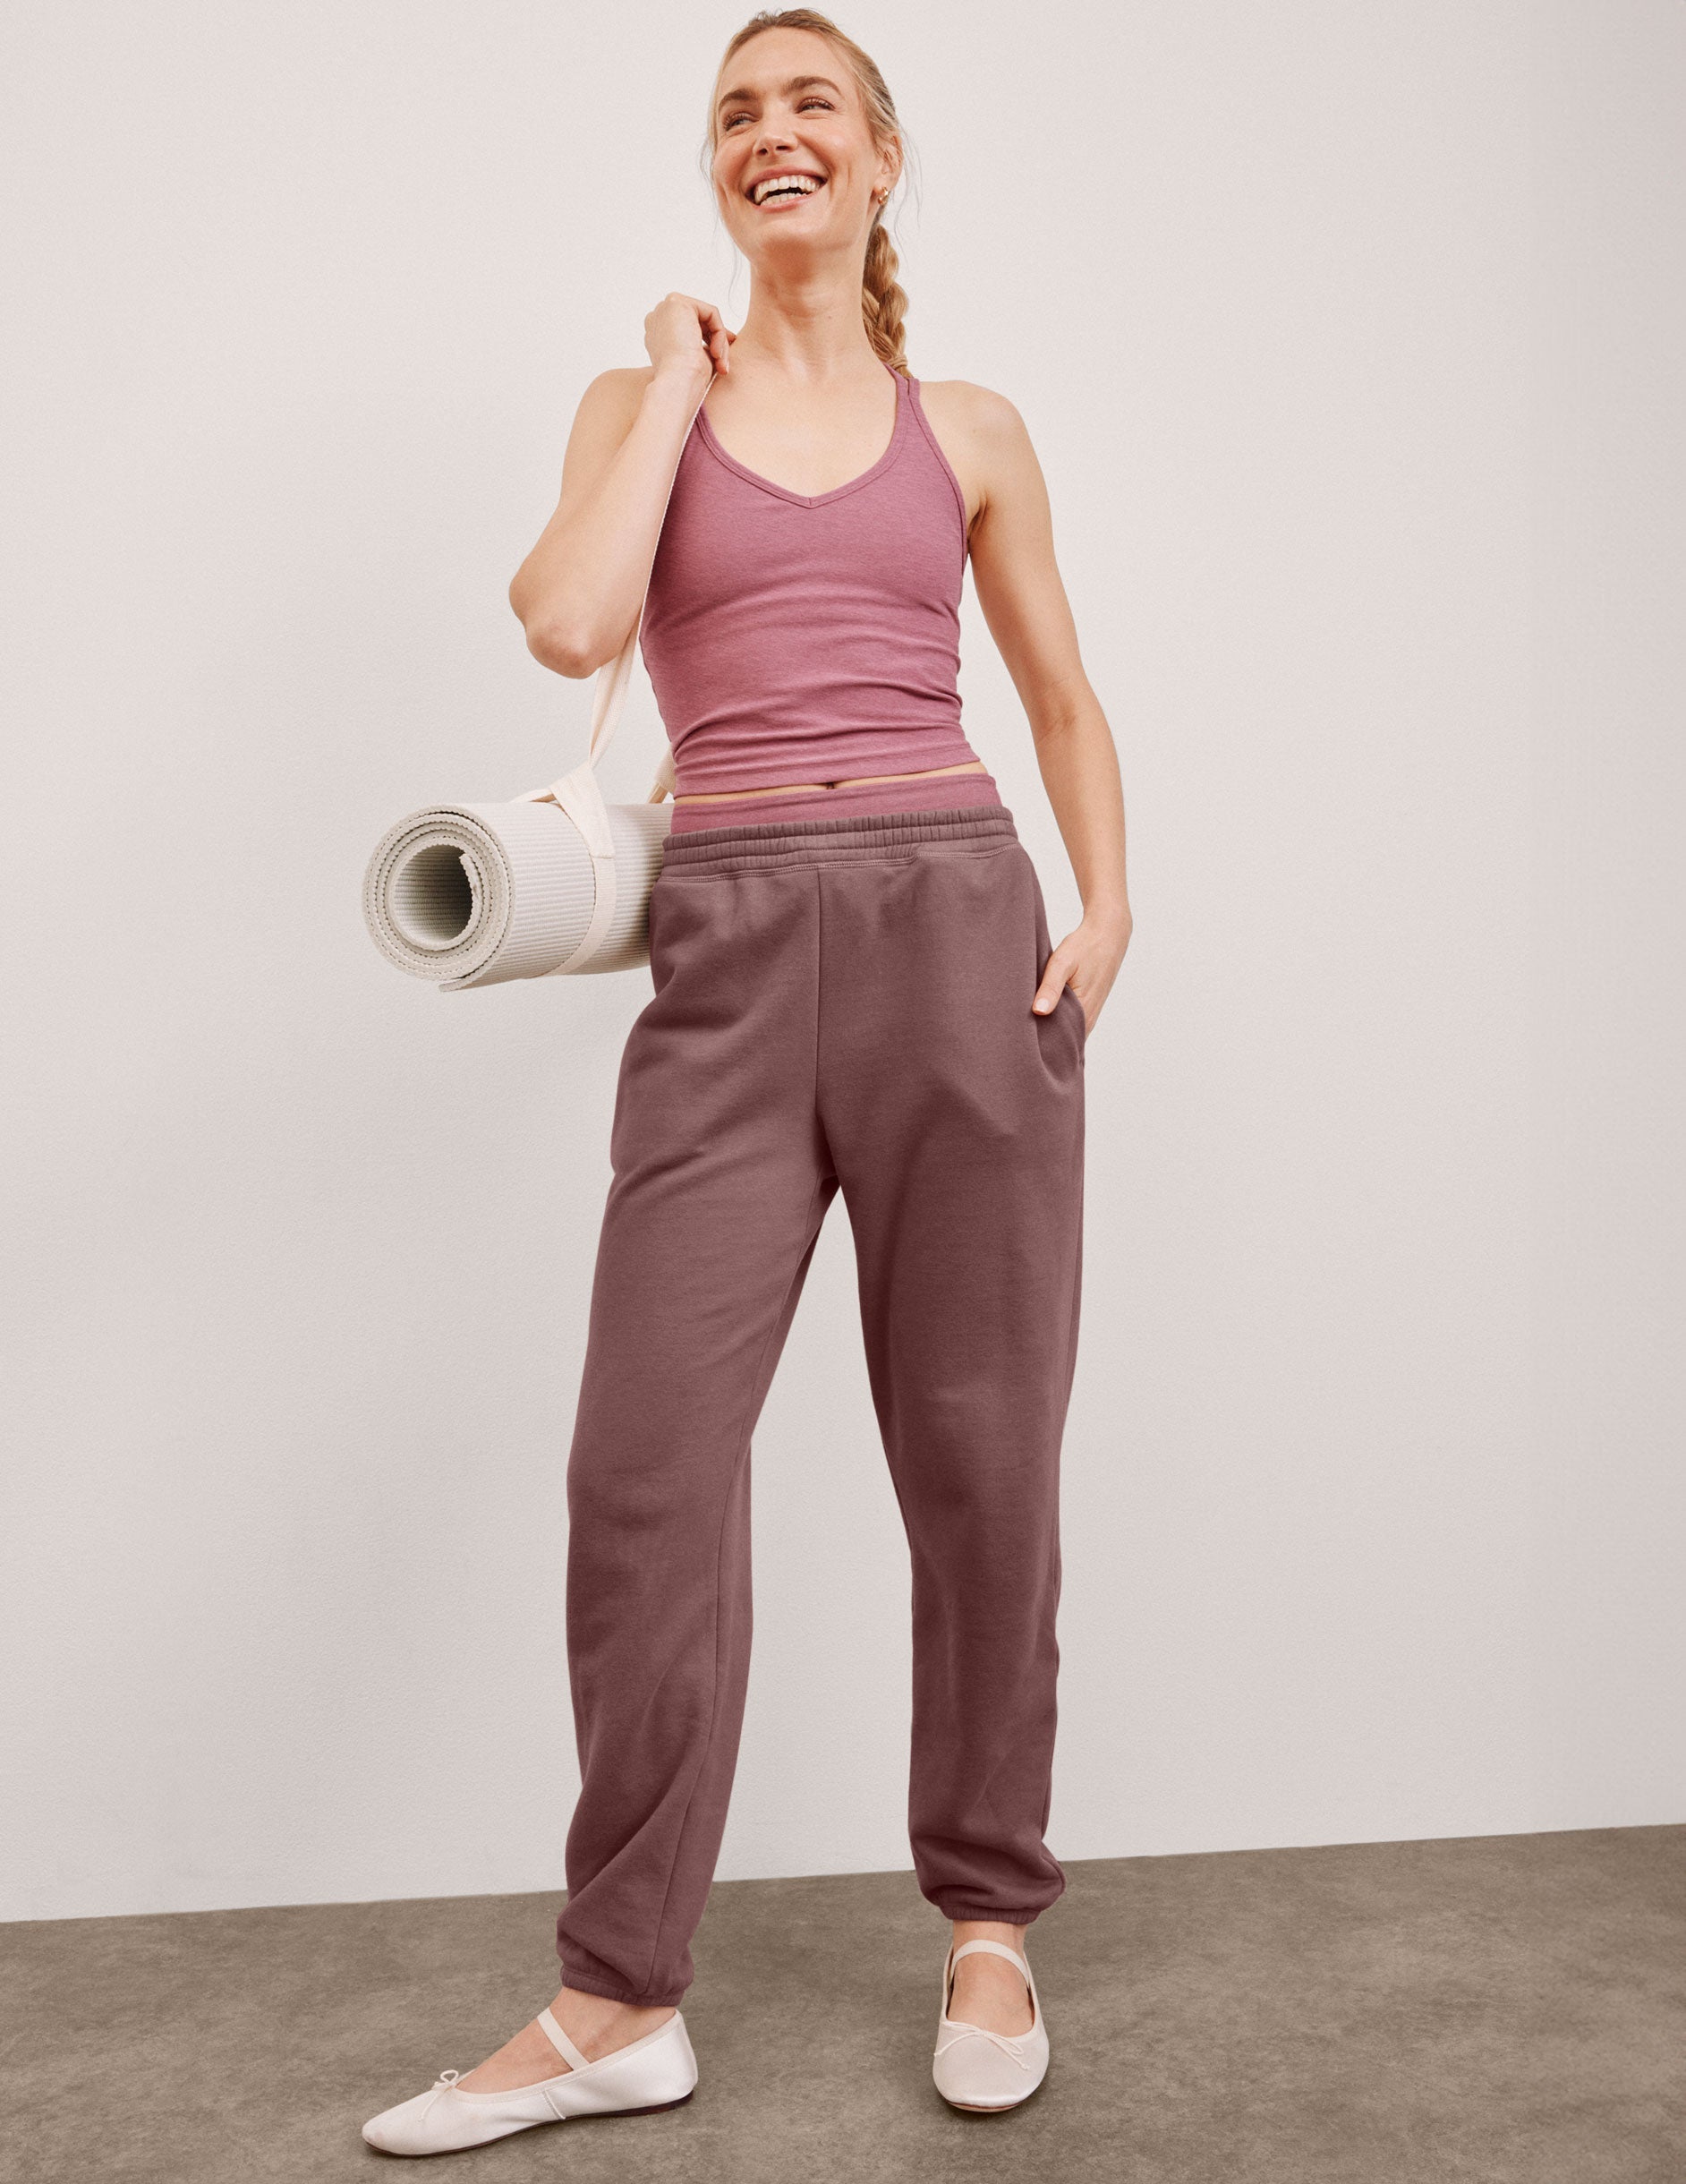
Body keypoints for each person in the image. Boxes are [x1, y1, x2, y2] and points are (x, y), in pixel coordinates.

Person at [362, 7, 1131, 2155]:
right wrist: (676, 376)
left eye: (811, 106)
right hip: (723, 946)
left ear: (883, 160)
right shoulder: (645, 398)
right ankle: (619, 1994)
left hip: (957, 931)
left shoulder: (968, 422)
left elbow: (1061, 691)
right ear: (720, 176)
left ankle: (990, 1917)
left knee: (981, 1454)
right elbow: (566, 616)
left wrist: (1109, 902)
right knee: (646, 1467)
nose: (771, 134)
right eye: (736, 115)